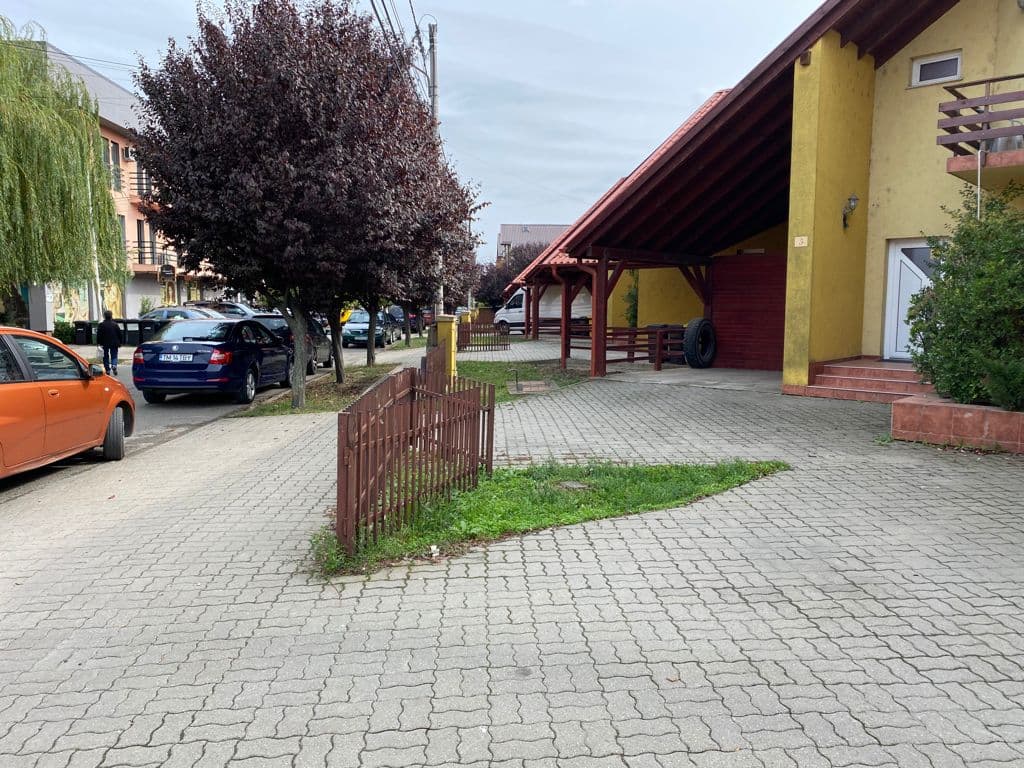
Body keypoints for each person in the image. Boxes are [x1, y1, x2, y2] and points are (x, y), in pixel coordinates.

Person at [96, 310, 122, 376]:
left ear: (104, 316)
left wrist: (98, 343)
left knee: (105, 356)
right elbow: (119, 334)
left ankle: (107, 369)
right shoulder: (115, 324)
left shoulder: (101, 325)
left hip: (104, 343)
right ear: (111, 316)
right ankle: (114, 365)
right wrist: (120, 342)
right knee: (114, 355)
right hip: (114, 343)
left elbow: (98, 335)